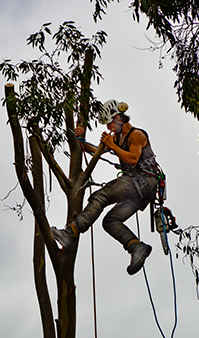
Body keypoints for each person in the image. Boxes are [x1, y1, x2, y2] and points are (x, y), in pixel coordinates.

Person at [52, 99, 160, 275]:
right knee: (110, 221)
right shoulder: (118, 139)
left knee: (101, 196)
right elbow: (96, 150)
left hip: (142, 181)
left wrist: (111, 145)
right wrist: (78, 139)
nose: (109, 128)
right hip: (139, 192)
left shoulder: (136, 135)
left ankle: (71, 231)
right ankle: (136, 247)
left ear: (118, 118)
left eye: (110, 123)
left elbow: (133, 158)